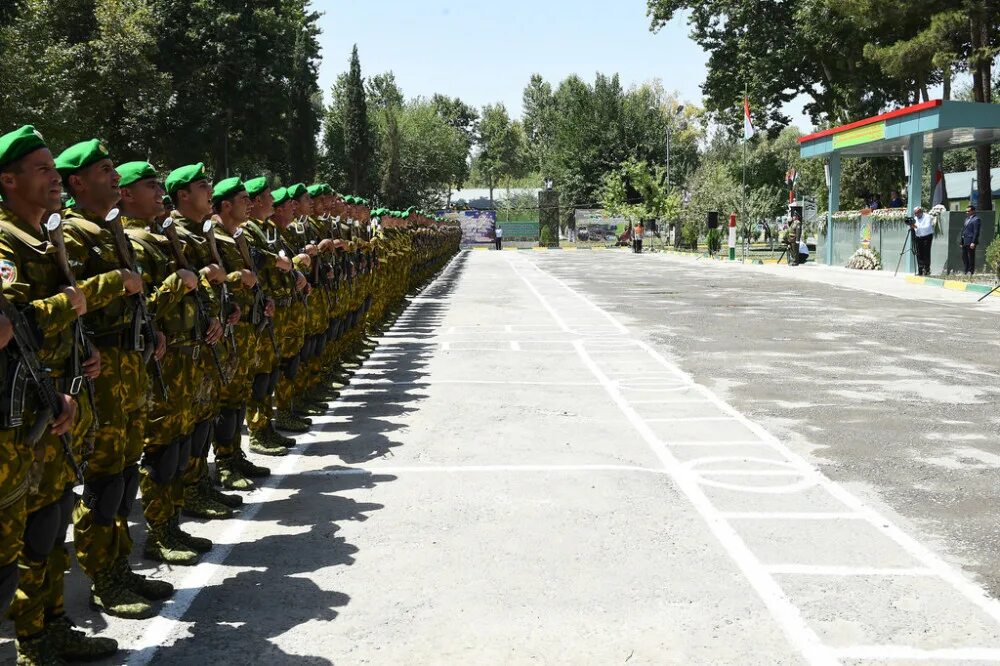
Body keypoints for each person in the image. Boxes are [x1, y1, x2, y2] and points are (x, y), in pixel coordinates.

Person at [909, 206, 934, 276]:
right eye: (915, 213)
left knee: (926, 253)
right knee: (919, 253)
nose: (916, 215)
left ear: (921, 211)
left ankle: (927, 269)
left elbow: (927, 227)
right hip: (918, 237)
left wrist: (916, 227)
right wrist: (912, 226)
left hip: (927, 236)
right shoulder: (915, 218)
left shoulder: (927, 217)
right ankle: (920, 269)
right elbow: (914, 227)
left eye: (917, 213)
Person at [960, 205, 981, 275]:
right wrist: (961, 241)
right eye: (966, 211)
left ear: (973, 211)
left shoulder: (976, 219)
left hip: (970, 241)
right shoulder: (966, 219)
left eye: (968, 211)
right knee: (964, 257)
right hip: (964, 240)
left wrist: (973, 242)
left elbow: (976, 232)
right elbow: (963, 230)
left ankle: (970, 271)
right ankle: (966, 270)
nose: (967, 212)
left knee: (971, 257)